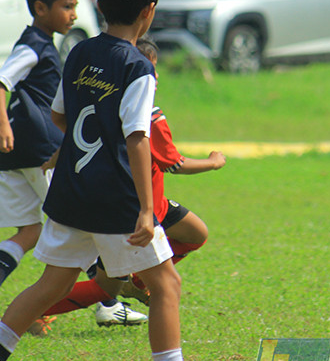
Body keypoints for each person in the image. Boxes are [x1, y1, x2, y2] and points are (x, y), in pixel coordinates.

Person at [0, 0, 234, 361]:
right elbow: (137, 136)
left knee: (50, 285)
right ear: (149, 11)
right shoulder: (138, 65)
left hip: (70, 193)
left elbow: (61, 118)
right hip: (114, 199)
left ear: (98, 6)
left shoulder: (79, 53)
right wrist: (147, 208)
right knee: (166, 284)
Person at [0, 0, 145, 334]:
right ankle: (108, 304)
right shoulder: (35, 46)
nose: (73, 14)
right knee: (82, 224)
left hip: (16, 154)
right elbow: (0, 82)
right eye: (66, 5)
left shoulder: (47, 46)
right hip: (40, 150)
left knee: (30, 231)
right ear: (40, 8)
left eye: (76, 5)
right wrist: (2, 124)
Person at [39, 35, 226, 316]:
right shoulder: (150, 116)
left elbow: (66, 124)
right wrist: (213, 162)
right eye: (151, 68)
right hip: (136, 209)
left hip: (138, 203)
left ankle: (135, 280)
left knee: (195, 233)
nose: (156, 75)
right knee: (112, 287)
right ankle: (36, 311)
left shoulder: (105, 107)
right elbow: (173, 164)